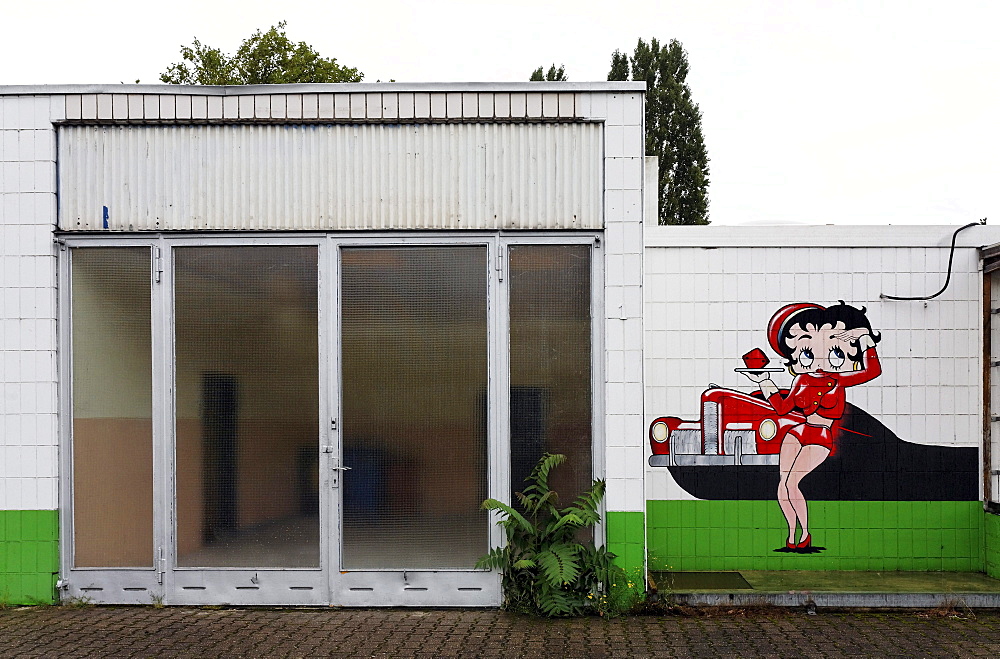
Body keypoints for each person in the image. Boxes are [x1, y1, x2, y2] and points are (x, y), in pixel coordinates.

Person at [744, 301, 881, 551]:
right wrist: (764, 381)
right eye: (808, 353)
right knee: (783, 482)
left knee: (792, 483)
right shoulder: (802, 380)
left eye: (835, 353)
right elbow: (783, 408)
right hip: (798, 431)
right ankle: (791, 534)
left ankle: (805, 533)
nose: (818, 360)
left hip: (820, 435)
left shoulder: (838, 380)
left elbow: (873, 370)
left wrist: (866, 340)